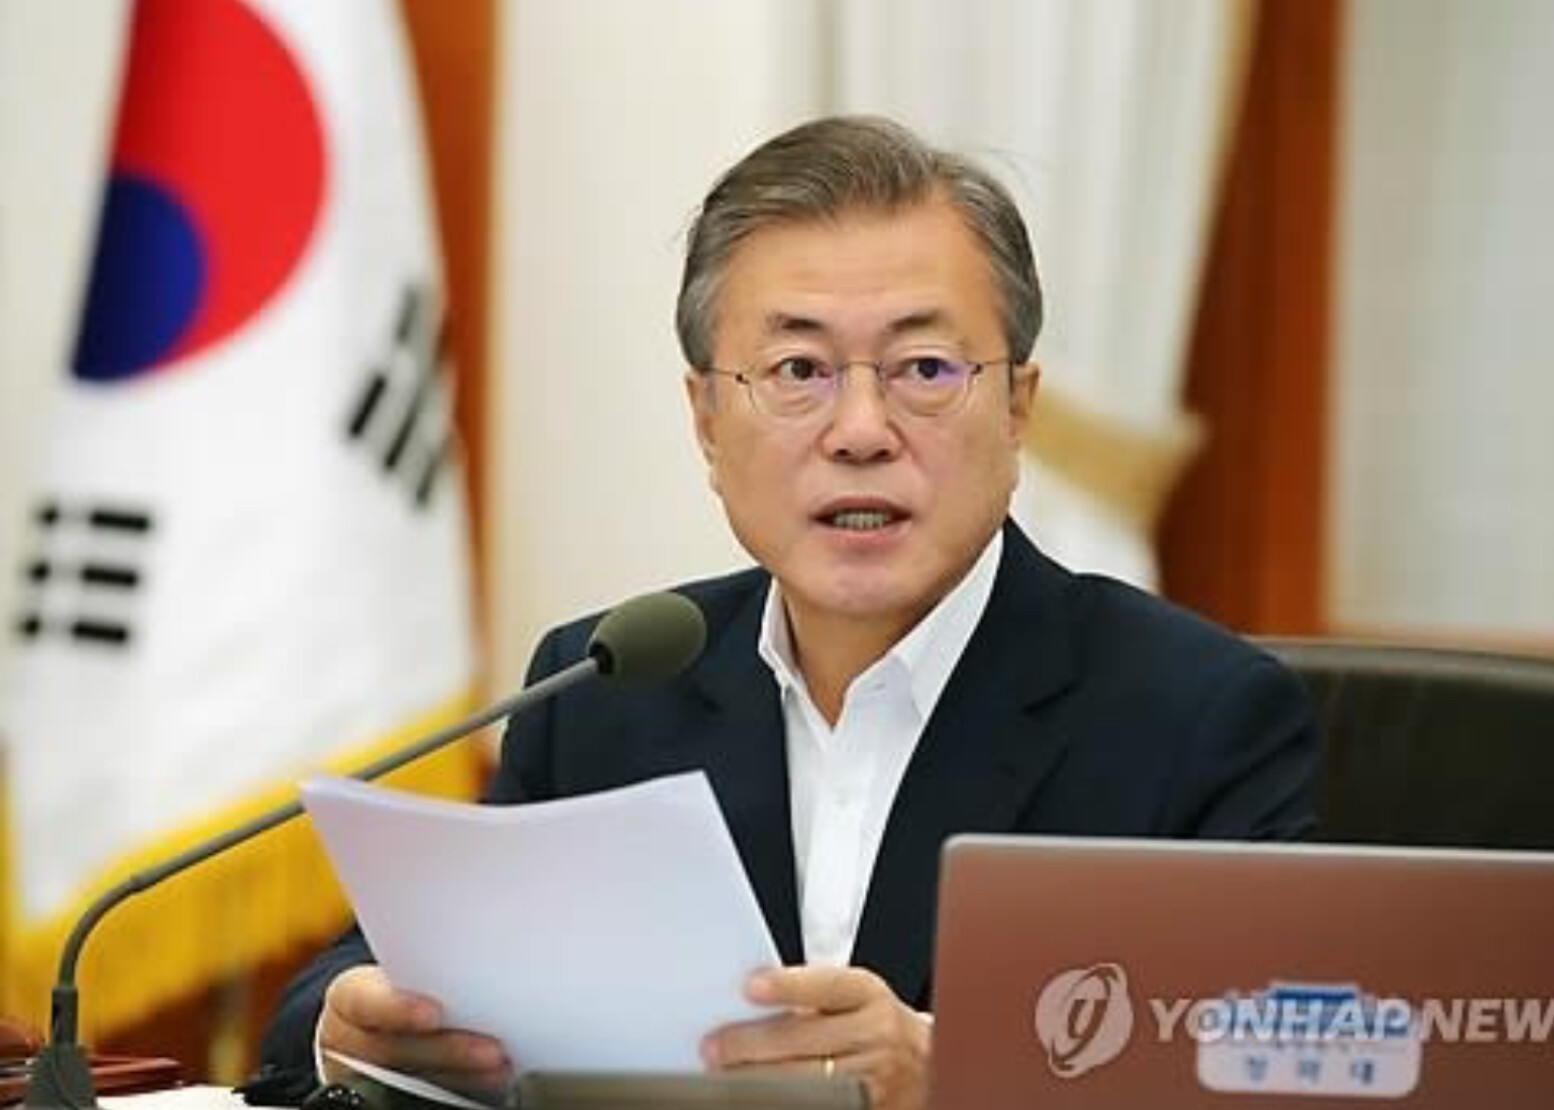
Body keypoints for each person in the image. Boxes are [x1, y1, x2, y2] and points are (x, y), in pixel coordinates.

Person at [260, 115, 1318, 1110]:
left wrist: (949, 1073)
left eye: (924, 369)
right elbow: (363, 985)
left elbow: (1276, 1070)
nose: (860, 430)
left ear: (1016, 409)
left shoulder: (1196, 717)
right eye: (798, 370)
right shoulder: (606, 690)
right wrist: (350, 1026)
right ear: (707, 421)